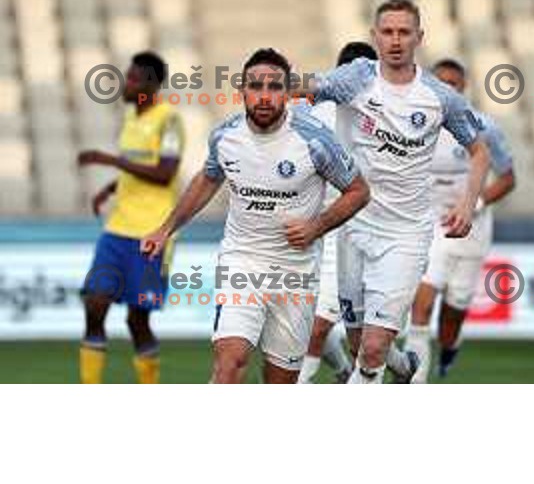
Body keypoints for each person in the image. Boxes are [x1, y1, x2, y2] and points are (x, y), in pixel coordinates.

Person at [142, 48, 370, 384]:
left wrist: (315, 227)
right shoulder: (225, 136)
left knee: (279, 381)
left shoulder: (315, 140)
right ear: (242, 90)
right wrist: (166, 229)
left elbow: (359, 191)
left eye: (274, 87)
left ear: (288, 92)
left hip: (296, 271)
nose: (264, 97)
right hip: (243, 262)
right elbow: (207, 179)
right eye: (256, 86)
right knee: (229, 363)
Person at [304, 0, 490, 384]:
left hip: (404, 233)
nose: (395, 40)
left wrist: (468, 204)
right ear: (375, 36)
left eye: (404, 32)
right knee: (360, 346)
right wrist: (270, 86)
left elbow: (479, 150)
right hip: (352, 227)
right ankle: (404, 367)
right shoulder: (354, 78)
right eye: (387, 31)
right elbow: (307, 88)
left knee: (371, 351)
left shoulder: (439, 96)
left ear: (419, 37)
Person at [404, 58, 515, 382]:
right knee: (421, 305)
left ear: (464, 87)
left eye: (455, 83)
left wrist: (476, 204)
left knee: (452, 316)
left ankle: (451, 345)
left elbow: (508, 179)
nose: (448, 89)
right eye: (442, 83)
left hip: (472, 231)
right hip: (432, 228)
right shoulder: (414, 125)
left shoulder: (484, 128)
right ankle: (416, 381)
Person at [78, 51, 185, 384]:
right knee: (95, 307)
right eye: (128, 76)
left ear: (152, 85)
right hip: (116, 230)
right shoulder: (130, 116)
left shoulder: (169, 120)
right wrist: (110, 189)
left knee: (137, 321)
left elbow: (165, 173)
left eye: (135, 78)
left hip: (152, 234)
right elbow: (135, 166)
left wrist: (110, 161)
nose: (127, 83)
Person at [297, 41, 378, 384]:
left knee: (317, 328)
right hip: (315, 229)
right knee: (303, 320)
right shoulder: (317, 113)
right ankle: (387, 366)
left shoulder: (384, 117)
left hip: (357, 231)